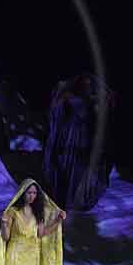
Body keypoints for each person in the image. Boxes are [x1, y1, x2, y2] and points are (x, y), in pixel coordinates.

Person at [43, 72, 116, 212]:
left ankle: (75, 199)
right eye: (85, 83)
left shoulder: (91, 98)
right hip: (71, 137)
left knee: (78, 170)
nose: (87, 85)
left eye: (89, 83)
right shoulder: (68, 96)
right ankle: (66, 198)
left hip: (82, 139)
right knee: (70, 169)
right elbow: (59, 112)